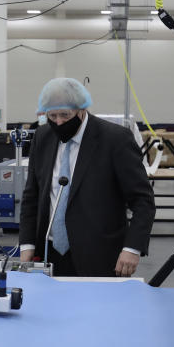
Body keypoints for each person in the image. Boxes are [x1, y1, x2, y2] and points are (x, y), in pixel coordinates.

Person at [19, 77, 155, 277]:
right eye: (52, 115)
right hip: (48, 254)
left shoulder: (115, 140)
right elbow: (32, 196)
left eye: (65, 115)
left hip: (100, 256)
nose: (58, 122)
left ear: (82, 109)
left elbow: (143, 200)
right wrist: (27, 244)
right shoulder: (43, 136)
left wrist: (132, 248)